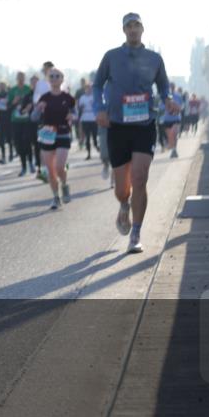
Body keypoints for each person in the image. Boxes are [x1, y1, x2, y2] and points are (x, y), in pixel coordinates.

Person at [94, 13, 178, 254]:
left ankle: (136, 234)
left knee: (140, 177)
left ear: (143, 29)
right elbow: (98, 83)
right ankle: (123, 205)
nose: (133, 30)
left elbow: (163, 85)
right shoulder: (111, 57)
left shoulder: (154, 59)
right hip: (117, 126)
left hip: (144, 125)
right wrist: (99, 109)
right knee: (123, 188)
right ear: (123, 31)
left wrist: (168, 99)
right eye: (128, 26)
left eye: (136, 26)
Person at [33, 69, 77, 209]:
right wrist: (38, 109)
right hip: (47, 135)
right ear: (47, 79)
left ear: (62, 79)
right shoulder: (44, 97)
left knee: (59, 166)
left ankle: (64, 185)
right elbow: (33, 118)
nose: (54, 78)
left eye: (57, 76)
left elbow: (76, 115)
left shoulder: (68, 97)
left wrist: (73, 117)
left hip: (63, 133)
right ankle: (55, 197)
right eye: (51, 76)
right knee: (50, 171)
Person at [8, 72, 35, 176]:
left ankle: (30, 163)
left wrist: (28, 105)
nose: (20, 79)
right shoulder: (12, 91)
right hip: (15, 121)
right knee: (18, 144)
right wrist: (14, 102)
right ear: (16, 79)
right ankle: (23, 166)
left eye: (22, 78)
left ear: (24, 79)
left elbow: (33, 102)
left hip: (27, 120)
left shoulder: (28, 89)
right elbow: (7, 107)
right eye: (19, 78)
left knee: (26, 142)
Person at [161, 84, 184, 159]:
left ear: (175, 87)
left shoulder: (178, 96)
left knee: (174, 134)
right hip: (167, 119)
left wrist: (176, 106)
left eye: (173, 87)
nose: (171, 88)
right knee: (170, 136)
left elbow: (181, 106)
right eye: (170, 87)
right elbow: (161, 107)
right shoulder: (165, 97)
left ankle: (174, 150)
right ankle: (173, 150)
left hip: (176, 118)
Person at [77, 82, 99, 160]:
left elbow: (98, 106)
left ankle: (96, 146)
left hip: (93, 118)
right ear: (85, 89)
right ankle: (89, 153)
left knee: (94, 135)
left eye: (90, 88)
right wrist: (81, 108)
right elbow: (79, 107)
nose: (89, 90)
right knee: (87, 137)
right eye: (87, 88)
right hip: (85, 118)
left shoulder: (94, 97)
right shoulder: (82, 97)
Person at [0, 80, 13, 164]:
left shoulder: (9, 94)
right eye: (0, 85)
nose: (1, 87)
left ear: (6, 86)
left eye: (3, 85)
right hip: (0, 119)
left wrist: (7, 105)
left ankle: (11, 153)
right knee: (1, 138)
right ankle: (3, 156)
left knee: (9, 138)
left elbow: (11, 105)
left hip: (8, 119)